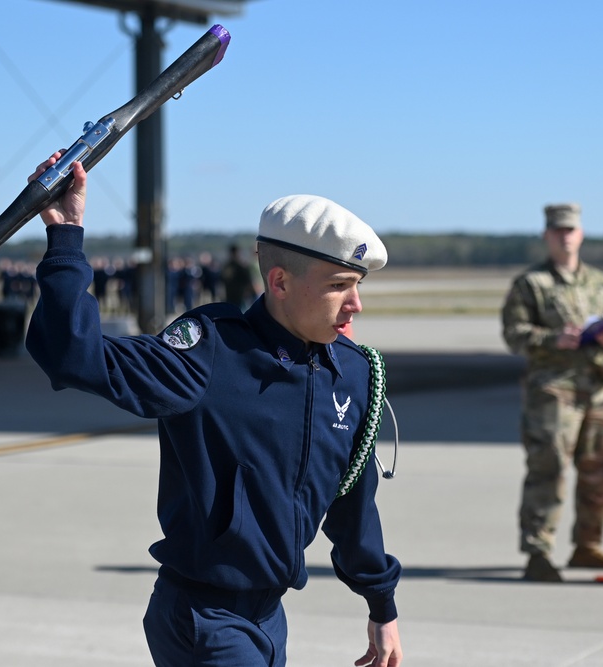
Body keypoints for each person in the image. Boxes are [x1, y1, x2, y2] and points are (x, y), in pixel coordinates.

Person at [25, 152, 403, 666]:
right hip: (203, 617)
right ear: (280, 282)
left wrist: (381, 606)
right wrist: (67, 239)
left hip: (270, 619)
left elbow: (353, 503)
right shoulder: (209, 352)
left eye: (358, 285)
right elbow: (74, 357)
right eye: (339, 285)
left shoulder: (352, 374)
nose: (355, 304)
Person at [501, 203, 603, 583]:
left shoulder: (600, 282)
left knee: (601, 468)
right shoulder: (531, 284)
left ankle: (587, 545)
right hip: (554, 391)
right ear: (547, 236)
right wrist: (554, 339)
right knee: (549, 468)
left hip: (599, 388)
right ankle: (538, 552)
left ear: (581, 234)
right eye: (558, 231)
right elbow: (514, 335)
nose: (565, 236)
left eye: (570, 230)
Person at [219, 243, 258, 310]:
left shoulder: (226, 267)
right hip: (238, 296)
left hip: (233, 295)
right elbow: (248, 280)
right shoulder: (240, 267)